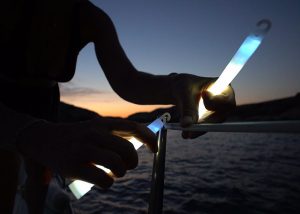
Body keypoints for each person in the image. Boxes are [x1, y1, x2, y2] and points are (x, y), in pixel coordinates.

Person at [0, 0, 236, 213]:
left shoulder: (93, 18)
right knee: (5, 173)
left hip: (45, 101)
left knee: (41, 175)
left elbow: (128, 81)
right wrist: (36, 135)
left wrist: (177, 85)